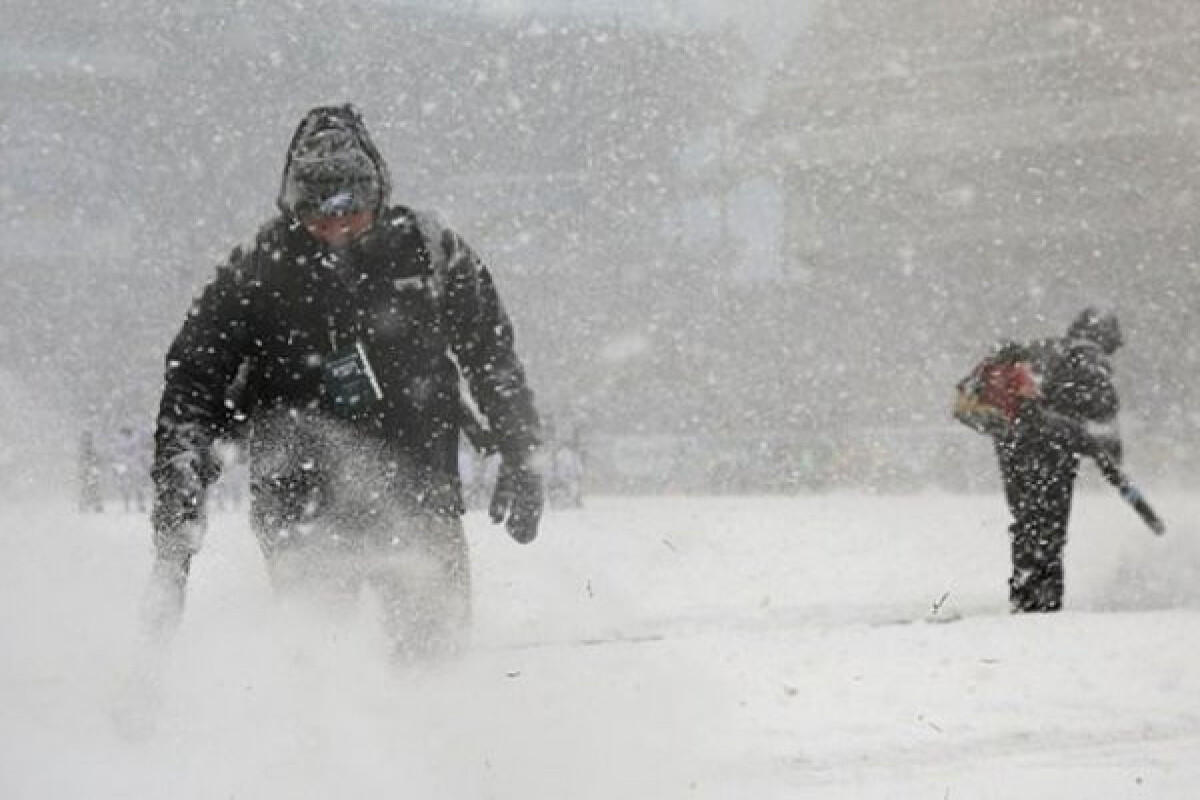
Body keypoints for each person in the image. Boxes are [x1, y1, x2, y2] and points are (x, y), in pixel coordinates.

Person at [149, 103, 544, 658]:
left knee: (434, 662)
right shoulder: (255, 272)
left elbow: (492, 354)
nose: (334, 225)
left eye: (350, 208)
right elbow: (192, 383)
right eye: (315, 211)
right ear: (291, 207)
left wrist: (522, 449)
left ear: (377, 194)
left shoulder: (430, 251)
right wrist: (180, 483)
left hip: (419, 494)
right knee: (320, 667)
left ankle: (438, 735)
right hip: (299, 505)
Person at [957, 307, 1123, 613]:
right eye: (1115, 337)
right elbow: (1102, 406)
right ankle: (1041, 598)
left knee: (1027, 519)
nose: (1119, 345)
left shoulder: (1042, 351)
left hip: (1012, 446)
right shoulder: (1086, 359)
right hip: (1050, 453)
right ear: (1101, 335)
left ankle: (1026, 589)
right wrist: (1102, 447)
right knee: (1049, 523)